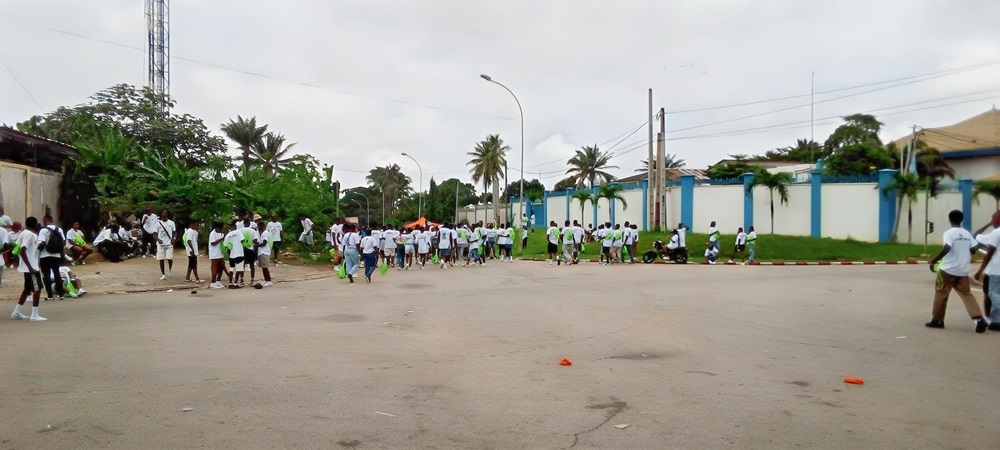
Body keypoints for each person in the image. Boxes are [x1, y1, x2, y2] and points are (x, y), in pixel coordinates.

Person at [926, 210, 988, 333]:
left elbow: (947, 247)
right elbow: (975, 247)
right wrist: (965, 254)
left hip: (947, 270)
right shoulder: (966, 233)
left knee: (941, 293)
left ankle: (937, 320)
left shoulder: (949, 233)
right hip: (962, 270)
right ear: (961, 219)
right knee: (966, 295)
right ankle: (978, 319)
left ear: (950, 219)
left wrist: (934, 261)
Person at [11, 216, 46, 321]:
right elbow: (22, 250)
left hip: (28, 266)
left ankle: (16, 312)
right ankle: (34, 315)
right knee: (37, 288)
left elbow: (18, 247)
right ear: (35, 225)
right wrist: (30, 267)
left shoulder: (23, 233)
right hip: (32, 267)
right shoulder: (30, 235)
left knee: (27, 289)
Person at [973, 210, 1000, 331]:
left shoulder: (996, 233)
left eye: (993, 218)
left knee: (992, 295)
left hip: (995, 271)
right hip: (994, 271)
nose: (991, 220)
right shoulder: (994, 234)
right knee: (991, 295)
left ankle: (993, 320)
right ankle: (992, 320)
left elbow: (989, 253)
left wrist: (979, 271)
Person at [38, 215, 72, 301]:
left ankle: (50, 296)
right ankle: (61, 294)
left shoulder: (43, 230)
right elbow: (63, 242)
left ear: (45, 221)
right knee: (57, 274)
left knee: (46, 276)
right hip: (56, 255)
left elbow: (41, 244)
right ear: (52, 220)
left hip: (45, 256)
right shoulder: (59, 229)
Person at [156, 210, 177, 280]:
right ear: (161, 214)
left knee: (169, 258)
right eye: (163, 212)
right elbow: (154, 234)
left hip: (169, 243)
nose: (164, 213)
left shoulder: (171, 223)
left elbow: (174, 232)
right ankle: (163, 274)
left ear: (167, 214)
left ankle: (170, 269)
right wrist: (158, 239)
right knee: (161, 259)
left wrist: (174, 238)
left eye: (165, 212)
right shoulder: (158, 224)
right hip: (161, 244)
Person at [224, 222, 246, 288]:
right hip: (239, 253)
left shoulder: (228, 235)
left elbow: (226, 245)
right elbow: (242, 240)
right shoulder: (239, 232)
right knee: (239, 269)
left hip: (232, 254)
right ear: (235, 226)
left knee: (231, 269)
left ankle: (230, 283)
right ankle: (236, 283)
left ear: (230, 227)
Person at [208, 222, 226, 289]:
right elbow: (213, 243)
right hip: (214, 254)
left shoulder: (220, 233)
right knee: (214, 268)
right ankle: (213, 282)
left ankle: (218, 281)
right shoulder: (212, 234)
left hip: (220, 253)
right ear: (216, 228)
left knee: (221, 267)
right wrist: (221, 239)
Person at [256, 222, 273, 287]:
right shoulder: (263, 233)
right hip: (262, 252)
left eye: (259, 227)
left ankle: (269, 280)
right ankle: (266, 280)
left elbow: (264, 243)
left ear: (262, 226)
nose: (258, 228)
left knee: (265, 267)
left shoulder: (265, 233)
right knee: (263, 267)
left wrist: (257, 245)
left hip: (265, 252)